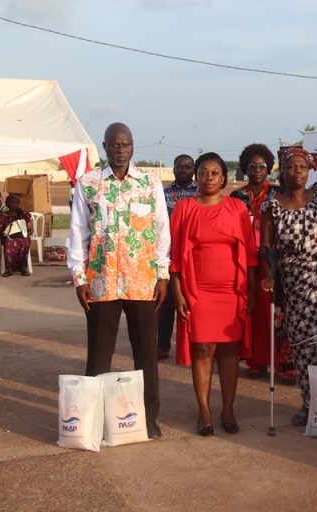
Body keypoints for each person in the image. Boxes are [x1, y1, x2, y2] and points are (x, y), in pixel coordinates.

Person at [67, 122, 169, 440]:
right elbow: (77, 234)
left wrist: (163, 273)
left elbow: (162, 230)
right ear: (105, 146)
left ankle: (148, 418)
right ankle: (94, 421)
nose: (120, 149)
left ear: (133, 145)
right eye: (114, 144)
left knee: (146, 356)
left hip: (142, 282)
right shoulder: (88, 183)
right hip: (101, 281)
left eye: (125, 144)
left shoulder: (150, 184)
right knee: (99, 355)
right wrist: (79, 278)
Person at [170, 152, 257, 436]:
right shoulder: (184, 208)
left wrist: (252, 291)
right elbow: (173, 257)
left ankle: (228, 408)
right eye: (203, 172)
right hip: (199, 291)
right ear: (196, 176)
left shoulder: (236, 208)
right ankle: (204, 410)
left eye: (215, 172)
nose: (209, 177)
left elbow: (251, 255)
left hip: (232, 291)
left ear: (224, 178)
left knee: (230, 351)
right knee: (203, 348)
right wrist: (178, 292)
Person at [260, 147, 317, 427]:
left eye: (302, 168)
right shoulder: (272, 206)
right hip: (296, 282)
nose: (297, 172)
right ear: (282, 171)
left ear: (309, 171)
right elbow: (266, 247)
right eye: (291, 167)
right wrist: (270, 275)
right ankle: (310, 404)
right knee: (304, 345)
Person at [230, 143, 296, 382]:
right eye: (252, 166)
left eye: (262, 166)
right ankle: (256, 360)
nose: (257, 170)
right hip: (245, 260)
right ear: (245, 169)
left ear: (268, 169)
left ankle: (284, 363)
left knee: (278, 312)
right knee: (253, 312)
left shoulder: (278, 193)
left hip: (273, 259)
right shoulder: (236, 196)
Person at [156, 154, 196, 361]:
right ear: (173, 169)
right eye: (179, 166)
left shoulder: (200, 193)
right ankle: (162, 345)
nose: (183, 170)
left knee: (195, 303)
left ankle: (197, 345)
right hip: (169, 253)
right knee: (166, 303)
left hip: (194, 256)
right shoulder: (162, 194)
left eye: (188, 167)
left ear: (193, 170)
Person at [0, 194, 33, 277]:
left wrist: (27, 234)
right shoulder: (3, 216)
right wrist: (5, 230)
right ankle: (9, 269)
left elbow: (30, 228)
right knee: (9, 242)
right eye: (11, 202)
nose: (13, 204)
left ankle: (23, 268)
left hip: (22, 236)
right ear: (7, 204)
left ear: (18, 203)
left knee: (25, 241)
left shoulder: (23, 214)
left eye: (15, 202)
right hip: (8, 237)